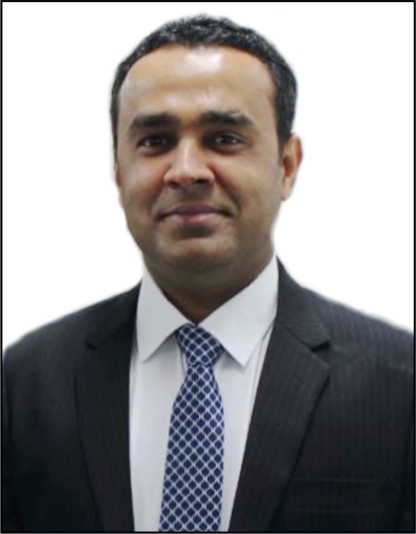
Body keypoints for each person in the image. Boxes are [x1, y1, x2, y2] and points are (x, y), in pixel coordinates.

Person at [2, 14, 413, 533]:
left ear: (287, 166)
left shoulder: (398, 384)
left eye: (224, 138)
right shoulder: (27, 384)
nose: (187, 170)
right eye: (155, 141)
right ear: (118, 170)